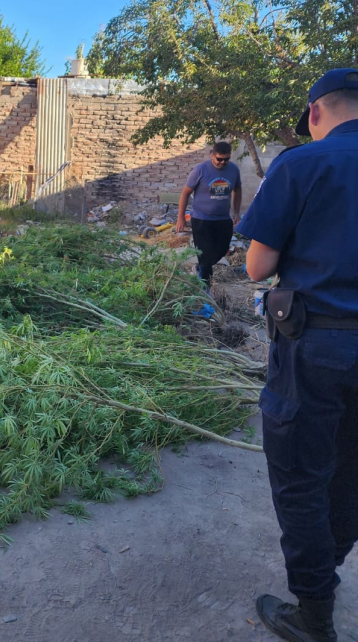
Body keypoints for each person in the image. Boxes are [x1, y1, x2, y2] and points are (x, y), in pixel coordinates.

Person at [236, 67, 358, 642]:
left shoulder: (301, 164)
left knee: (301, 477)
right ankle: (326, 569)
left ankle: (313, 615)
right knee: (352, 470)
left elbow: (256, 268)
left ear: (315, 113)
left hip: (316, 348)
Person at [176, 141, 242, 287]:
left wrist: (237, 213)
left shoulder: (233, 170)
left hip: (223, 218)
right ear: (212, 155)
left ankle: (200, 267)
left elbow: (237, 189)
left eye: (226, 159)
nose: (222, 162)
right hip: (201, 218)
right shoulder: (200, 170)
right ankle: (205, 287)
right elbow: (185, 193)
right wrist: (181, 217)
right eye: (219, 159)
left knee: (222, 250)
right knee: (205, 254)